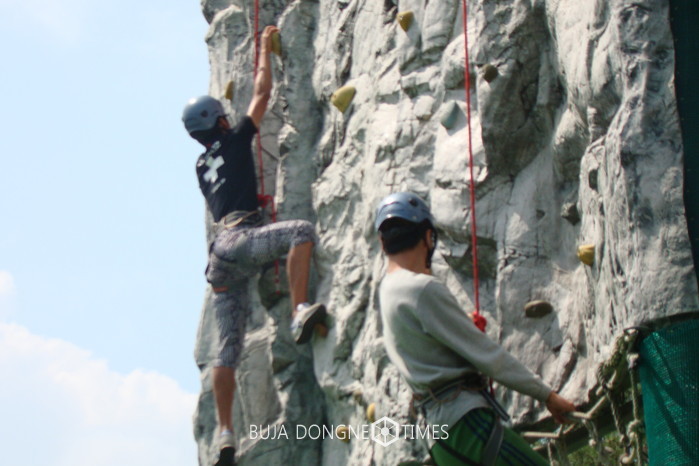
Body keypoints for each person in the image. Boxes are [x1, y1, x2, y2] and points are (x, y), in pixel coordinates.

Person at [182, 25, 327, 466]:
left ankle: (226, 433)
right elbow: (262, 93)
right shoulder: (234, 138)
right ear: (218, 121)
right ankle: (300, 310)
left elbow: (229, 191)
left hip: (220, 261)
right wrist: (264, 48)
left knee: (228, 348)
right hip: (242, 240)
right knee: (300, 232)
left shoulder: (201, 165)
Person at [375, 192, 575, 466]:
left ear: (382, 242)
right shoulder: (422, 289)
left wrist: (459, 324)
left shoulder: (387, 290)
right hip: (465, 425)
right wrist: (547, 395)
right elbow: (489, 356)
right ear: (429, 237)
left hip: (439, 439)